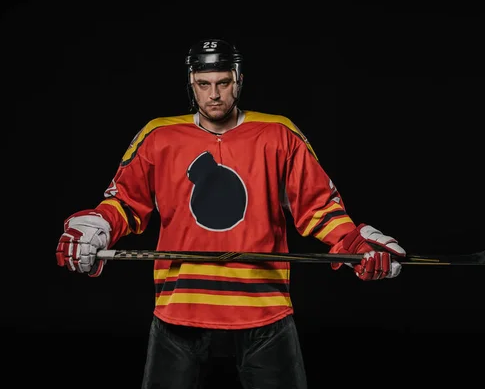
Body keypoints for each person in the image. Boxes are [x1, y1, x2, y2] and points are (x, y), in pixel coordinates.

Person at [55, 38, 406, 389]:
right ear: (191, 83)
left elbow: (318, 206)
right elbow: (126, 202)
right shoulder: (159, 135)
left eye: (223, 83)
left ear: (238, 80)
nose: (214, 95)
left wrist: (354, 242)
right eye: (203, 84)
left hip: (263, 308)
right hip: (180, 307)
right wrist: (95, 229)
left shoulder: (278, 134)